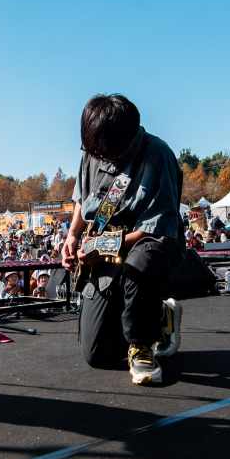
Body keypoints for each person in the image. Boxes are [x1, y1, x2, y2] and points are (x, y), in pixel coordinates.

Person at [62, 94, 183, 386]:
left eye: (103, 151)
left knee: (142, 262)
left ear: (124, 140)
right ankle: (157, 316)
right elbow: (82, 199)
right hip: (103, 245)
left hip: (147, 242)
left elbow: (157, 228)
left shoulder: (158, 155)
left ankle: (142, 346)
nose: (96, 156)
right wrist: (73, 236)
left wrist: (102, 247)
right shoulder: (93, 150)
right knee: (97, 355)